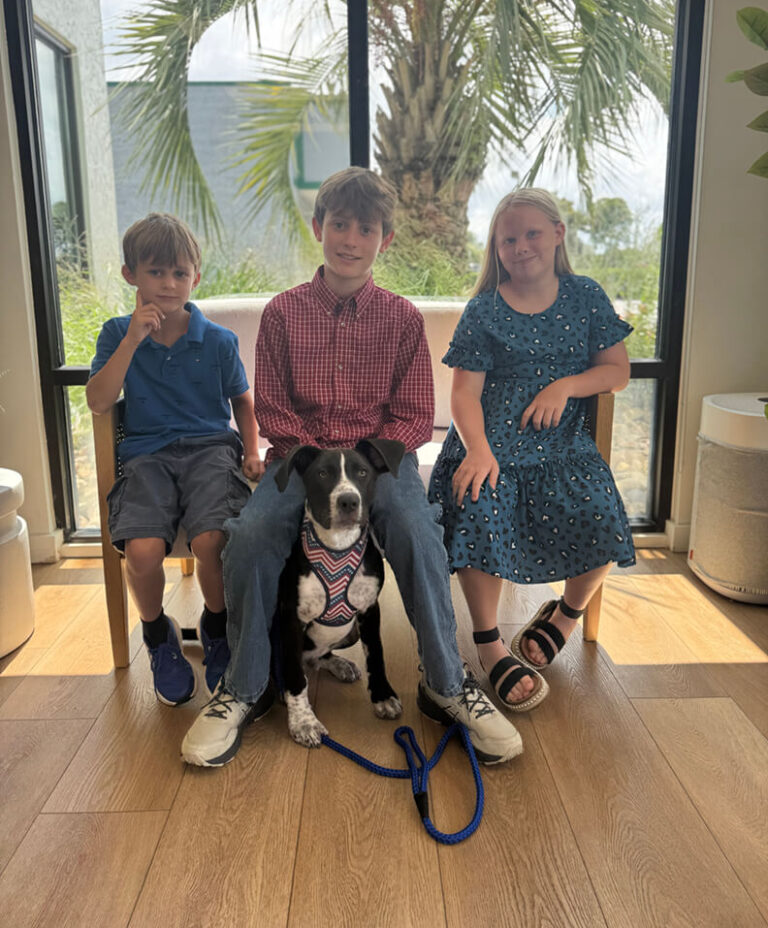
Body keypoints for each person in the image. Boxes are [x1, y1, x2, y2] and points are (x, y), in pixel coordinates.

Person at [181, 167, 524, 768]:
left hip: (378, 466)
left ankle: (446, 682)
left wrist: (366, 465)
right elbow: (275, 407)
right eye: (339, 224)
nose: (350, 238)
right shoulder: (284, 314)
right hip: (303, 462)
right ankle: (243, 687)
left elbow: (416, 413)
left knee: (419, 531)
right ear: (319, 228)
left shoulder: (401, 319)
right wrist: (319, 463)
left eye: (365, 228)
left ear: (384, 239)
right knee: (252, 534)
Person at [427, 188, 635, 714]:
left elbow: (617, 371)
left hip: (562, 447)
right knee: (478, 505)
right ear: (496, 249)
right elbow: (463, 393)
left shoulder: (586, 296)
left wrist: (565, 386)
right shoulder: (484, 309)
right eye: (508, 240)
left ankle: (564, 615)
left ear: (558, 234)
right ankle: (489, 642)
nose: (521, 247)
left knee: (604, 517)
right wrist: (477, 450)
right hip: (488, 443)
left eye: (532, 234)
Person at [87, 213, 263, 706]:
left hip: (211, 450)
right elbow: (99, 402)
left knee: (212, 540)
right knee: (141, 552)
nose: (168, 284)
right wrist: (130, 342)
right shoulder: (116, 333)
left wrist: (250, 451)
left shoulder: (219, 341)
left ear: (196, 278)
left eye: (180, 273)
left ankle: (216, 626)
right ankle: (157, 634)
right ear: (130, 275)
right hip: (146, 457)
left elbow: (243, 402)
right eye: (156, 272)